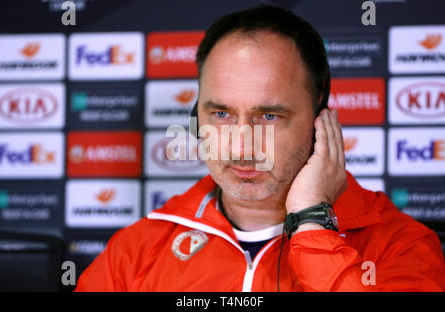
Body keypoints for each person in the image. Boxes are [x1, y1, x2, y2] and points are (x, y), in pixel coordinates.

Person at [75, 5, 445, 292]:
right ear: (195, 117)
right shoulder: (135, 250)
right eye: (220, 113)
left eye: (268, 115)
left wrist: (312, 223)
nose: (240, 147)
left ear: (320, 118)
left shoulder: (401, 247)